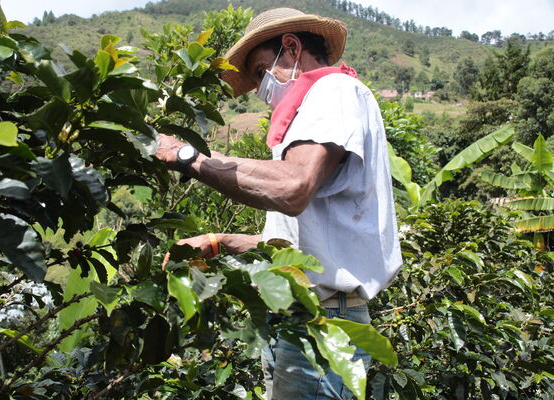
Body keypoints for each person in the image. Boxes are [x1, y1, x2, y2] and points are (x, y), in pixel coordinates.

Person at [155, 7, 402, 400]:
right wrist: (220, 241)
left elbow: (293, 188)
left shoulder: (333, 92)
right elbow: (303, 248)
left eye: (259, 72)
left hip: (320, 321)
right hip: (302, 314)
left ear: (291, 47)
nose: (259, 88)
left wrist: (188, 156)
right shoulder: (316, 115)